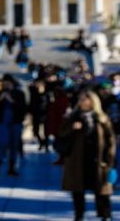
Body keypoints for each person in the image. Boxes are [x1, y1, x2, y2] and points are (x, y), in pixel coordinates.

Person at [59, 91, 115, 221]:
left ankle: (105, 215)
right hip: (77, 160)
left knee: (102, 190)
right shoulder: (73, 117)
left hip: (99, 160)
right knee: (78, 190)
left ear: (93, 102)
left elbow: (110, 139)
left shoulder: (102, 118)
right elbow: (61, 135)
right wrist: (72, 128)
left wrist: (109, 158)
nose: (82, 101)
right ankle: (79, 215)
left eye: (85, 99)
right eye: (81, 99)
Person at [0, 74, 26, 176]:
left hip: (15, 123)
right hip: (3, 124)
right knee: (1, 145)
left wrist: (11, 100)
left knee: (14, 146)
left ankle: (12, 167)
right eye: (4, 83)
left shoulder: (19, 94)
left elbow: (23, 108)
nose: (6, 85)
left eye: (8, 83)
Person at [28, 79, 49, 152]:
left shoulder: (47, 94)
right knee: (35, 131)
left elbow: (47, 104)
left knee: (46, 132)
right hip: (36, 114)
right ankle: (41, 142)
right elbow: (31, 103)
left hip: (45, 115)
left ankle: (46, 146)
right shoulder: (33, 93)